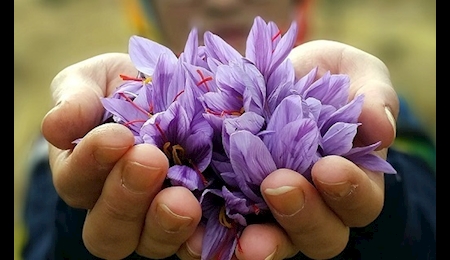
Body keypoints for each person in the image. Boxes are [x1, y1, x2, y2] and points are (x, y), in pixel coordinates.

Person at [21, 0, 436, 260]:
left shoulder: (372, 115)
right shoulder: (88, 131)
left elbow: (425, 221)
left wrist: (379, 218)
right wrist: (84, 210)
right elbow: (45, 247)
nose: (223, 2)